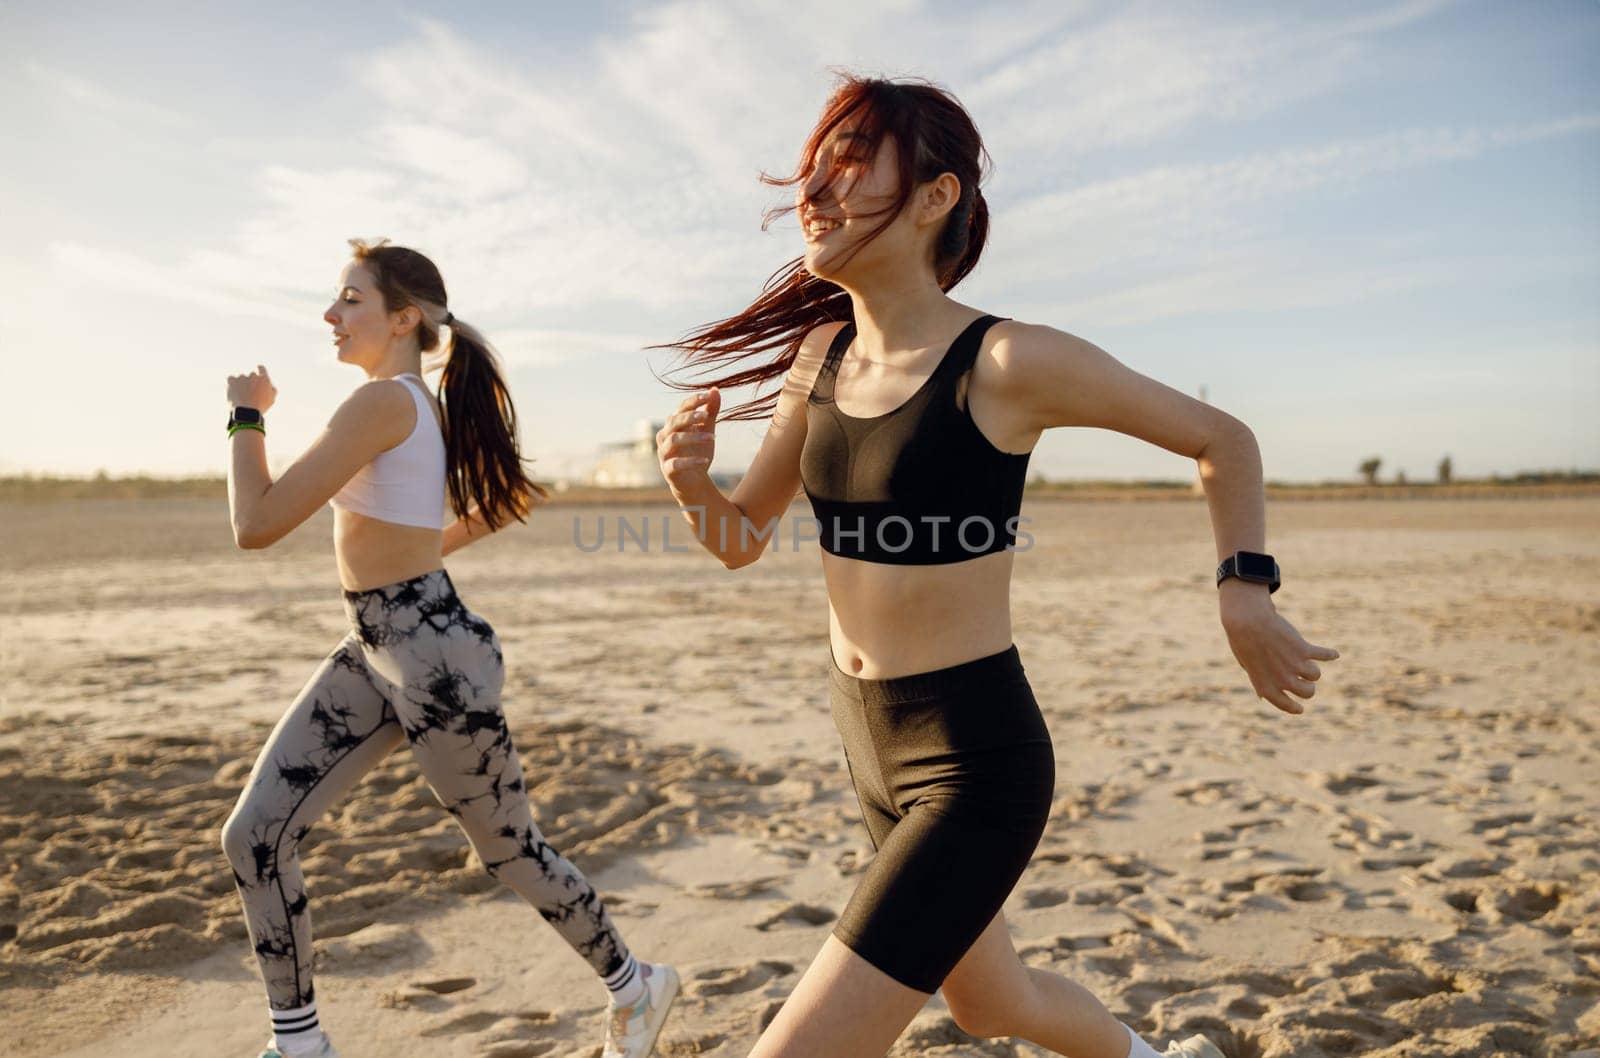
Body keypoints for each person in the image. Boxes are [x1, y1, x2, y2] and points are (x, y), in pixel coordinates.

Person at [652, 75, 1338, 1058]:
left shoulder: (1006, 361)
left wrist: (1243, 587)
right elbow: (739, 540)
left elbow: (1220, 437)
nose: (812, 189)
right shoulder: (819, 357)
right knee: (988, 1000)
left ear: (935, 196)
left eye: (846, 161)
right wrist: (690, 488)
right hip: (865, 743)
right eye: (812, 167)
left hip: (971, 760)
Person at [219, 238, 678, 1058]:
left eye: (350, 299)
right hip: (378, 644)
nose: (330, 315)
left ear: (403, 319)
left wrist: (246, 413)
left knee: (509, 850)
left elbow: (255, 525)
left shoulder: (384, 404)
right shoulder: (408, 407)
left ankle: (637, 987)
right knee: (253, 833)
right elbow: (411, 544)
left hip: (432, 660)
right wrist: (473, 525)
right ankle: (299, 1045)